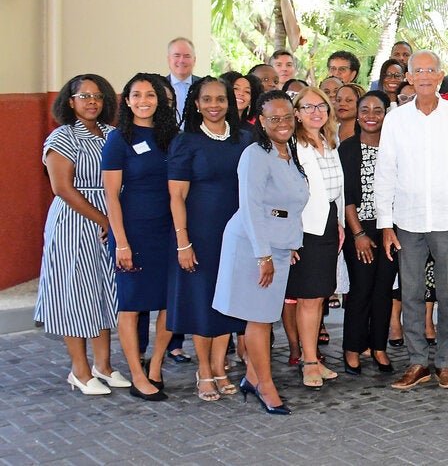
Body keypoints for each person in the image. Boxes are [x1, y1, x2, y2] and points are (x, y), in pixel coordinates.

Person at [377, 51, 448, 390]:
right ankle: (418, 362)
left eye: (429, 70)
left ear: (440, 75)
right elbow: (385, 173)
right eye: (417, 70)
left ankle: (445, 364)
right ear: (408, 76)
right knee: (412, 294)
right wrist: (386, 224)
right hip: (407, 219)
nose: (423, 75)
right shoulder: (396, 119)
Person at [213, 90, 309, 415]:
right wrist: (263, 254)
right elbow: (251, 207)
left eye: (287, 116)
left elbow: (288, 207)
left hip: (278, 243)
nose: (282, 123)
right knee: (260, 318)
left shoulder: (288, 151)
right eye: (274, 118)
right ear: (262, 121)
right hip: (253, 244)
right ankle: (265, 387)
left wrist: (290, 243)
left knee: (265, 314)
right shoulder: (256, 154)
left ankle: (253, 378)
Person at [37, 74, 125, 396]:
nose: (92, 101)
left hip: (108, 222)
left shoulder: (112, 134)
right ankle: (80, 370)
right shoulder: (63, 137)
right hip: (74, 223)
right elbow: (61, 188)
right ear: (70, 101)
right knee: (75, 296)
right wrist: (103, 219)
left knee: (101, 293)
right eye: (84, 95)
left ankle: (104, 365)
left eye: (98, 96)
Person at [167, 76, 252, 401]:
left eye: (220, 99)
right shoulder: (185, 142)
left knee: (228, 302)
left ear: (229, 103)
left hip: (236, 235)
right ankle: (203, 369)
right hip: (199, 235)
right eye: (207, 100)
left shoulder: (243, 140)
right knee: (202, 303)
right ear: (197, 104)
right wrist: (183, 242)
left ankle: (219, 365)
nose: (214, 105)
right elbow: (176, 197)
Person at [103, 73, 180, 401]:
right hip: (134, 232)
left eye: (150, 95)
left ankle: (155, 366)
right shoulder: (119, 139)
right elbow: (111, 196)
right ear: (127, 100)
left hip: (170, 232)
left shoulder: (172, 135)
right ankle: (136, 374)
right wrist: (121, 241)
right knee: (132, 305)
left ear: (160, 100)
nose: (144, 100)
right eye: (137, 95)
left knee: (169, 303)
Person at [287, 86, 346, 390]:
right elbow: (287, 195)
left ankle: (313, 356)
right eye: (307, 107)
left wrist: (337, 222)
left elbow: (334, 190)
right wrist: (290, 235)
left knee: (320, 295)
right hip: (304, 230)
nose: (315, 112)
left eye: (320, 106)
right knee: (308, 298)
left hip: (326, 226)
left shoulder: (328, 141)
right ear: (296, 113)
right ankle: (309, 361)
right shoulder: (292, 145)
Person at [338, 91, 397, 375]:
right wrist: (359, 234)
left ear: (387, 114)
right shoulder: (348, 149)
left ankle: (379, 347)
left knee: (383, 291)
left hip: (389, 229)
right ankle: (352, 348)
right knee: (361, 289)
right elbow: (347, 197)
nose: (371, 115)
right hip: (358, 228)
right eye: (365, 109)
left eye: (378, 110)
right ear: (357, 113)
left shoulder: (394, 147)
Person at [167, 37, 197, 117]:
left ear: (194, 60)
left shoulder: (204, 86)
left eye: (187, 56)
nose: (181, 60)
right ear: (169, 60)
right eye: (177, 56)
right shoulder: (157, 87)